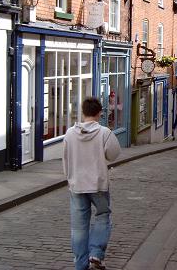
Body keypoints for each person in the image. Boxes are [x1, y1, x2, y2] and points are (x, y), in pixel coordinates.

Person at [63, 97, 121, 270]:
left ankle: (80, 265)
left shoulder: (69, 134)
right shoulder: (104, 132)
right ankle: (96, 253)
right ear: (99, 113)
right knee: (103, 217)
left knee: (79, 227)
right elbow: (114, 154)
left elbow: (65, 158)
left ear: (83, 111)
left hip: (77, 185)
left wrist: (70, 178)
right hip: (98, 185)